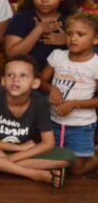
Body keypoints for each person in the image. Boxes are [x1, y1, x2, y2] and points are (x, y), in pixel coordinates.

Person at [0, 55, 73, 186]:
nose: (15, 80)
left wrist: (11, 157)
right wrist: (18, 148)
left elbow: (48, 143)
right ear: (3, 81)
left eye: (23, 76)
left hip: (22, 154)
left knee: (68, 157)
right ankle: (33, 174)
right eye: (10, 75)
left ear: (35, 83)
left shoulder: (39, 103)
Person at [40, 12, 98, 176]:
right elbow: (41, 81)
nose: (73, 38)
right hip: (54, 122)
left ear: (95, 40)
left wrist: (73, 104)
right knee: (56, 161)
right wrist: (52, 89)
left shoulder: (95, 64)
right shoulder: (58, 56)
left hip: (81, 125)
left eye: (81, 34)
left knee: (76, 170)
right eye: (70, 33)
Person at [4, 0, 73, 68]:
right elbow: (12, 55)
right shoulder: (21, 18)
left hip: (65, 79)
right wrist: (39, 30)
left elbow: (90, 53)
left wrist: (67, 40)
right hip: (27, 79)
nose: (44, 0)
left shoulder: (72, 19)